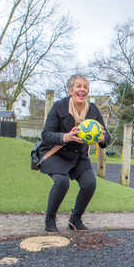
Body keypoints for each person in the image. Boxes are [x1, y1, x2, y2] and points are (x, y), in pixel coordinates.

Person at [39, 74, 111, 232]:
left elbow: (106, 136)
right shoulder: (59, 106)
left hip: (79, 155)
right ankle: (50, 219)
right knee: (62, 182)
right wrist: (66, 136)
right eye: (78, 86)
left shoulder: (93, 110)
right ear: (71, 90)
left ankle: (75, 220)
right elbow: (46, 135)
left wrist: (101, 138)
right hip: (56, 153)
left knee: (90, 183)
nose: (82, 90)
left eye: (85, 87)